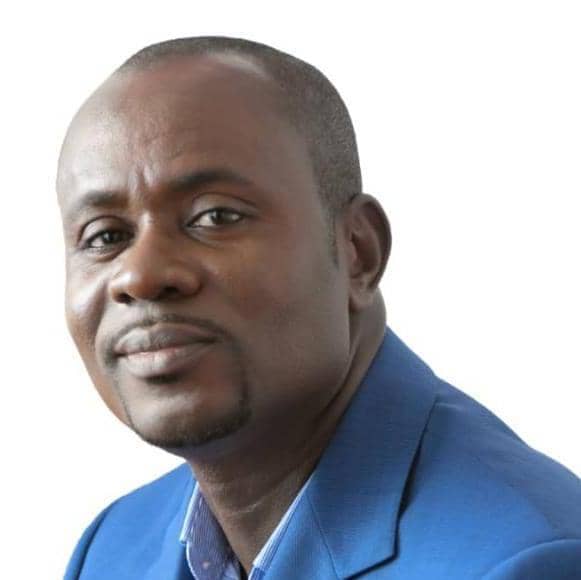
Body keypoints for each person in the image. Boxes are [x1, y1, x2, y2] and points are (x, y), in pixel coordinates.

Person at [58, 36, 581, 580]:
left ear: (358, 251)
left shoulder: (528, 561)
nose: (141, 275)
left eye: (216, 216)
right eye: (104, 236)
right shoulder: (109, 548)